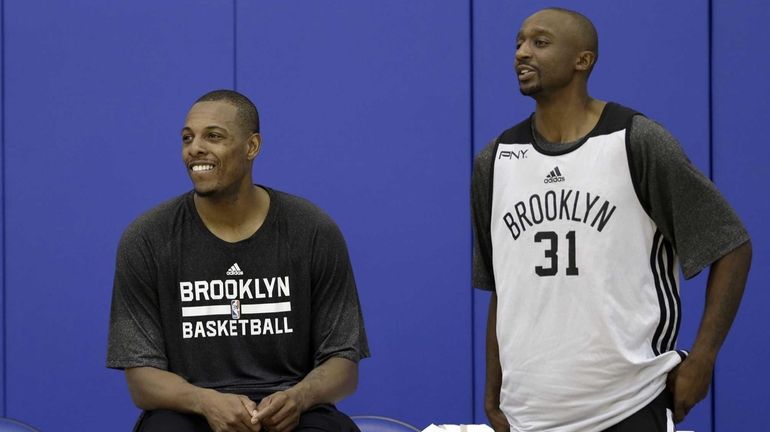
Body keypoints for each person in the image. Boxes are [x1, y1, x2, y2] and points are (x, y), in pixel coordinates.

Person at [471, 8, 752, 432]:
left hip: (627, 404)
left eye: (540, 43)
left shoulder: (636, 140)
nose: (521, 54)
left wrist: (704, 358)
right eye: (518, 43)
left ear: (582, 60)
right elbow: (502, 286)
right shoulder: (495, 159)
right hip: (528, 413)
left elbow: (731, 245)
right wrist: (492, 394)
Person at [107, 90, 369, 432]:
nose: (195, 148)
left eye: (213, 136)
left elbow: (344, 367)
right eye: (188, 138)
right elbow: (141, 382)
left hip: (292, 409)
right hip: (190, 410)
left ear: (252, 147)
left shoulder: (312, 230)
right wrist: (205, 401)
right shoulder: (147, 237)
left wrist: (299, 397)